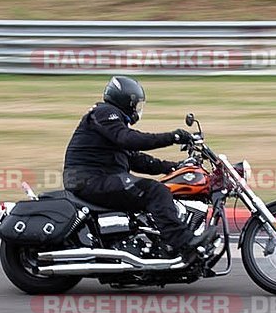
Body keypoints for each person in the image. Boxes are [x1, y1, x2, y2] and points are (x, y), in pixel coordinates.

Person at [63, 75, 216, 258]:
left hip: (98, 177)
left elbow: (135, 159)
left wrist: (172, 167)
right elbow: (130, 139)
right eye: (135, 103)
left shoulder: (111, 123)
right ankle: (182, 243)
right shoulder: (105, 113)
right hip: (90, 179)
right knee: (156, 191)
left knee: (152, 189)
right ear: (124, 100)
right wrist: (172, 137)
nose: (137, 109)